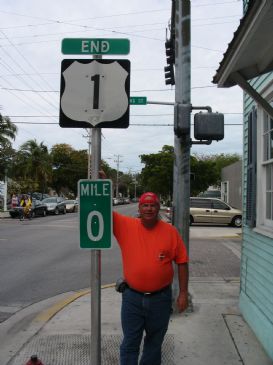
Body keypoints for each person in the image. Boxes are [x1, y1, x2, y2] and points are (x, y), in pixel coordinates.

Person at [111, 187, 189, 365]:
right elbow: (104, 210)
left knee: (154, 344)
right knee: (130, 343)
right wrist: (103, 182)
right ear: (139, 209)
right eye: (145, 205)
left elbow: (182, 262)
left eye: (152, 205)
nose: (149, 209)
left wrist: (183, 293)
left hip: (160, 299)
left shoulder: (170, 232)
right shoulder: (126, 226)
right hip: (132, 298)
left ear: (158, 208)